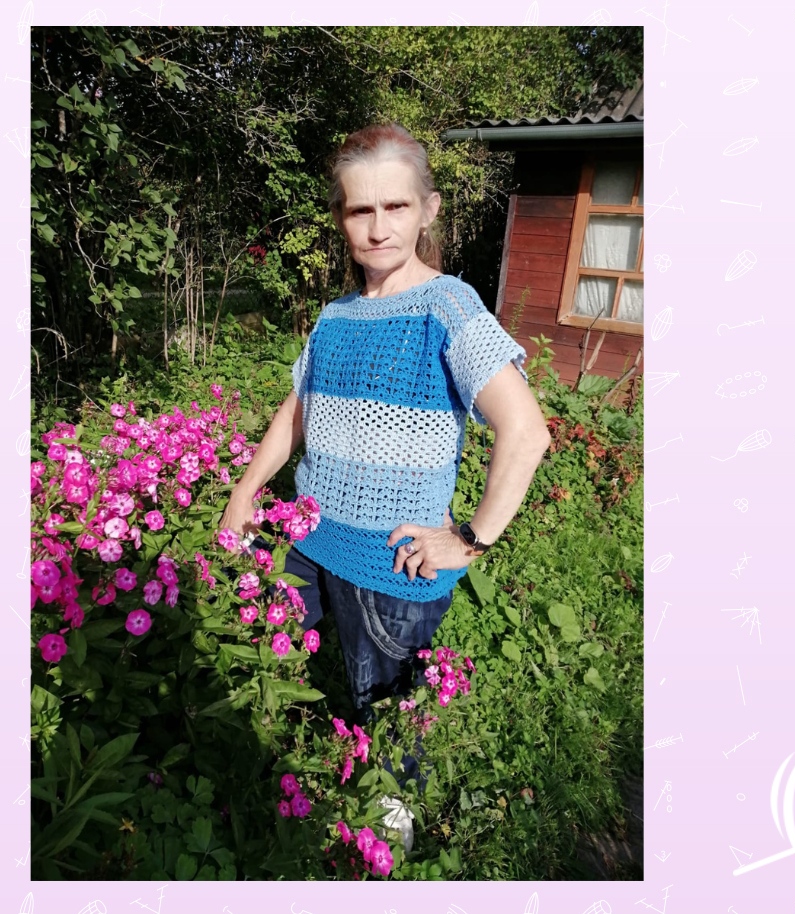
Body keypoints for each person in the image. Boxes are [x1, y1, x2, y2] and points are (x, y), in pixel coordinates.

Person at [219, 121, 551, 744]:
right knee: (265, 674)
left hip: (392, 572)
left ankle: (383, 803)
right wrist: (245, 490)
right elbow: (296, 413)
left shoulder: (447, 306)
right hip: (307, 546)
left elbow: (527, 432)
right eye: (360, 210)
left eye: (396, 206)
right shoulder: (335, 316)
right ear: (340, 219)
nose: (378, 228)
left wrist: (470, 541)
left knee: (390, 734)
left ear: (429, 210)